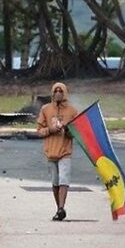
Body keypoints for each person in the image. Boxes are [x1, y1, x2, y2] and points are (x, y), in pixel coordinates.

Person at [36, 82, 78, 221]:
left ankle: (61, 208)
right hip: (51, 151)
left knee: (64, 180)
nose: (58, 93)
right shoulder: (45, 109)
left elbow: (77, 132)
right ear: (52, 93)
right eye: (56, 91)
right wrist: (50, 130)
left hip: (65, 151)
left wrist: (67, 130)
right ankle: (58, 209)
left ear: (65, 93)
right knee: (55, 182)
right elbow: (39, 130)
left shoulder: (72, 111)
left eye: (61, 91)